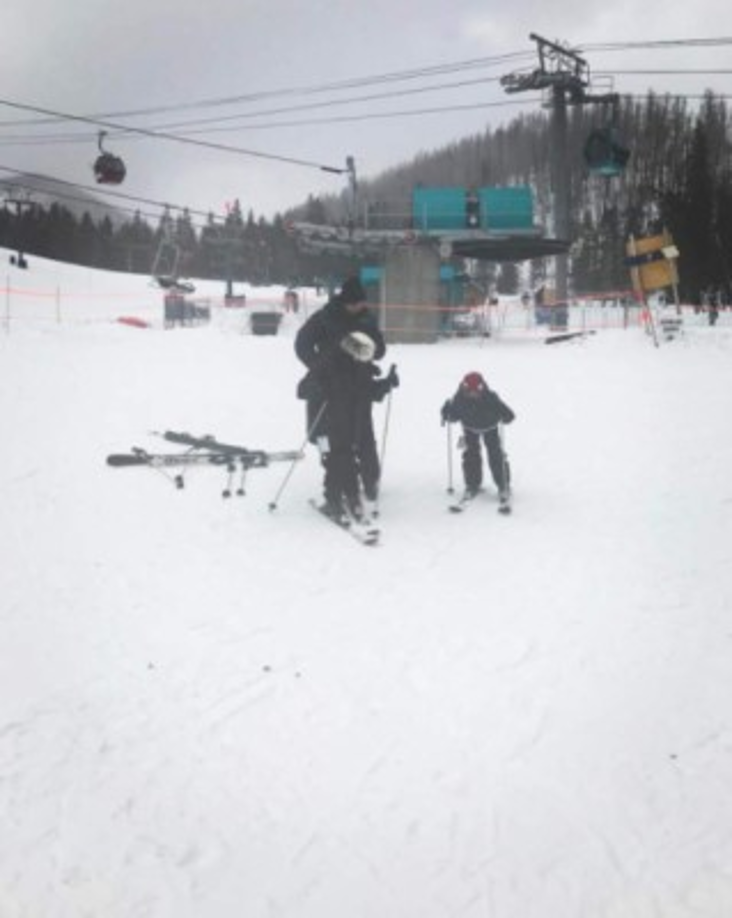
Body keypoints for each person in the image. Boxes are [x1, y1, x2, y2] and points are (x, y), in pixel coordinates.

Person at [295, 276, 388, 519]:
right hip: (333, 389)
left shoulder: (366, 318)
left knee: (363, 437)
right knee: (338, 444)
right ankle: (338, 495)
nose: (360, 307)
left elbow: (379, 349)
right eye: (356, 304)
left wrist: (369, 352)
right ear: (346, 301)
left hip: (360, 387)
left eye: (362, 303)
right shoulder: (326, 317)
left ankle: (366, 484)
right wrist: (318, 368)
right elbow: (301, 344)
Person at [441, 371, 515, 504]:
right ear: (465, 389)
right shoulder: (460, 398)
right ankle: (472, 484)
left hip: (490, 428)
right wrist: (447, 413)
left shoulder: (490, 397)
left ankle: (503, 485)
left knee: (495, 455)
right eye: (470, 392)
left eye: (476, 392)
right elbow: (453, 414)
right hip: (469, 429)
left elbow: (508, 413)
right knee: (470, 455)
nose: (473, 395)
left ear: (481, 388)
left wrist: (505, 416)